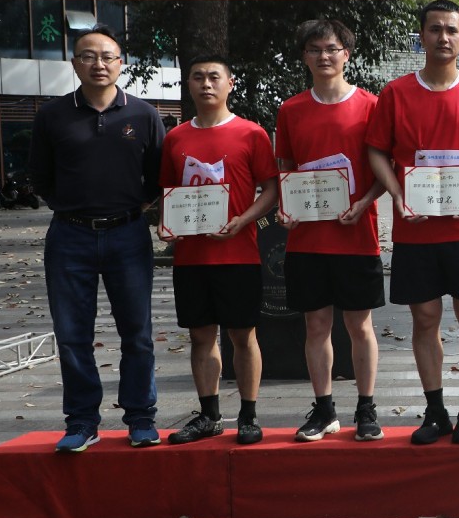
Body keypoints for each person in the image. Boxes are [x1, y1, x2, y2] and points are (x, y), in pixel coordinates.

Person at [367, 0, 459, 444]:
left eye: (451, 30)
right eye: (435, 29)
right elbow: (376, 150)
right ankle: (435, 412)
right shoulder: (396, 94)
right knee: (425, 318)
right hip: (415, 229)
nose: (443, 37)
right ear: (422, 36)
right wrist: (396, 192)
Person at [29, 25, 165, 452]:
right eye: (88, 56)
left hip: (128, 235)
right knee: (72, 335)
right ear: (75, 64)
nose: (99, 64)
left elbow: (158, 175)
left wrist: (136, 207)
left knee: (137, 333)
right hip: (70, 237)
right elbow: (40, 176)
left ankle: (140, 417)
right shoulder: (52, 116)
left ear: (121, 63)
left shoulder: (143, 114)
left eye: (108, 56)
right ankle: (82, 420)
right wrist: (70, 206)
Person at [275, 19, 386, 442]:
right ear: (304, 57)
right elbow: (286, 167)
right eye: (315, 49)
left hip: (357, 235)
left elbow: (385, 168)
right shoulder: (291, 110)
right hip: (307, 240)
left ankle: (366, 408)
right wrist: (286, 207)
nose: (324, 56)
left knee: (360, 326)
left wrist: (364, 202)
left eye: (332, 48)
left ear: (347, 55)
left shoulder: (371, 106)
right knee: (316, 326)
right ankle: (324, 410)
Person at [161, 56, 279, 445]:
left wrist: (244, 220)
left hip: (239, 254)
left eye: (214, 77)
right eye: (198, 77)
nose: (206, 84)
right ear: (189, 85)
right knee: (200, 336)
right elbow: (169, 193)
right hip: (191, 258)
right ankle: (209, 416)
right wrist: (167, 225)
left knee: (243, 336)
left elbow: (272, 189)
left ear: (231, 83)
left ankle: (248, 415)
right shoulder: (176, 138)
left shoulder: (251, 133)